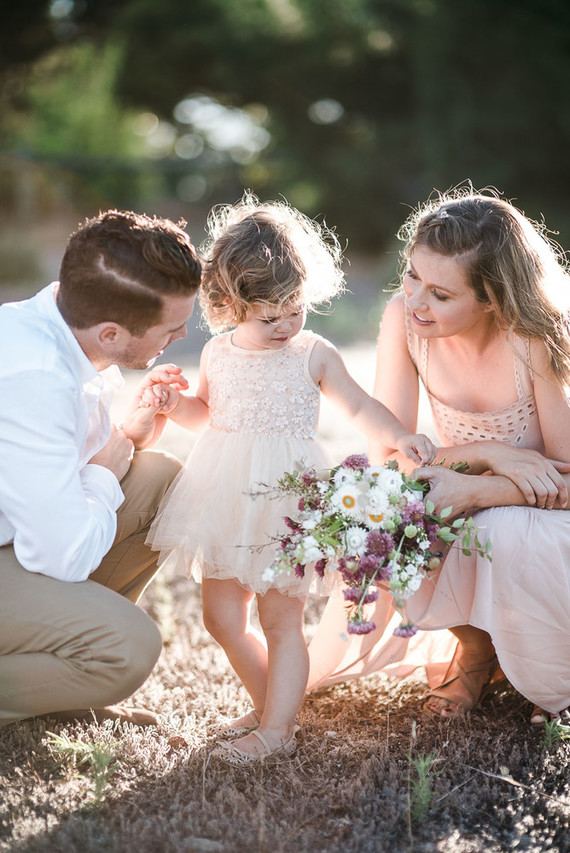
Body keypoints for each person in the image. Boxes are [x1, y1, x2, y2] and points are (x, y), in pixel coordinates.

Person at [141, 195, 437, 763]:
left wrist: (399, 436)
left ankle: (277, 729)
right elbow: (208, 414)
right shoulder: (219, 354)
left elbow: (359, 405)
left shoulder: (313, 353)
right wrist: (172, 404)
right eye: (267, 316)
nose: (283, 325)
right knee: (221, 616)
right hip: (225, 494)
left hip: (288, 503)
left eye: (293, 309)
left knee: (280, 619)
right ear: (228, 305)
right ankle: (271, 704)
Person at [309, 189, 570, 724]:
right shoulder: (404, 319)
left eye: (441, 294)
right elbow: (386, 455)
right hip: (472, 483)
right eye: (412, 277)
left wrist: (478, 489)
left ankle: (534, 664)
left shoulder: (536, 338)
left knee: (496, 528)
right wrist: (489, 453)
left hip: (550, 514)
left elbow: (566, 480)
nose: (417, 301)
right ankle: (475, 651)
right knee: (383, 517)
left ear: (491, 299)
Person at [0, 209, 202, 728]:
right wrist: (105, 474)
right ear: (111, 333)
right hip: (24, 547)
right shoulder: (35, 375)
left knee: (157, 476)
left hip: (13, 538)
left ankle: (56, 680)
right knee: (127, 647)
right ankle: (76, 663)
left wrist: (126, 438)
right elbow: (63, 556)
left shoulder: (65, 327)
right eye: (172, 328)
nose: (180, 336)